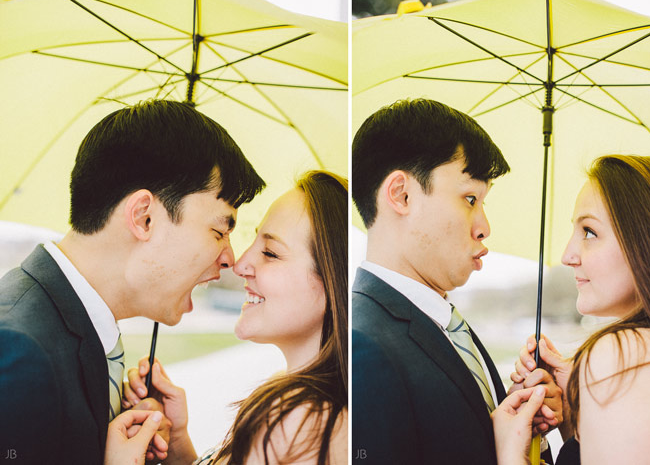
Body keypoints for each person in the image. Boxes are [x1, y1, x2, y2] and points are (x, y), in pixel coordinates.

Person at [0, 99, 265, 464]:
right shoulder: (17, 349)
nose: (230, 259)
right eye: (220, 231)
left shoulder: (78, 330)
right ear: (143, 218)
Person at [351, 98, 561, 465]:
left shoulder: (448, 325)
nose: (484, 227)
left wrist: (521, 429)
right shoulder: (363, 347)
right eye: (469, 198)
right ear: (401, 195)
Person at [117, 170, 348, 465]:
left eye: (270, 252)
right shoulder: (302, 401)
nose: (240, 264)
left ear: (332, 284)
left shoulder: (298, 421)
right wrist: (176, 441)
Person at [503, 155, 650, 464]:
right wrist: (576, 418)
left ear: (648, 242)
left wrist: (512, 456)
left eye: (589, 232)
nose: (568, 255)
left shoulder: (621, 358)